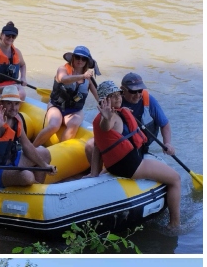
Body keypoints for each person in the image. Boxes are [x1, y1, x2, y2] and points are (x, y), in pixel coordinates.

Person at [88, 80, 181, 228]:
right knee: (175, 179)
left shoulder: (112, 114)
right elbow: (105, 127)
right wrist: (107, 117)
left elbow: (97, 145)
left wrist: (94, 173)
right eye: (113, 96)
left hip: (115, 165)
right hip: (131, 166)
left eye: (118, 94)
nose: (118, 98)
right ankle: (175, 224)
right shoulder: (108, 118)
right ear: (104, 101)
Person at [0, 85, 53, 187]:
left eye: (16, 103)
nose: (14, 108)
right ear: (1, 103)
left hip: (10, 161)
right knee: (27, 176)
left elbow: (27, 145)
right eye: (9, 103)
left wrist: (44, 165)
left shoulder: (16, 118)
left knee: (45, 154)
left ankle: (38, 190)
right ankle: (33, 187)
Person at [34, 46, 99, 148]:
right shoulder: (62, 69)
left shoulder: (88, 79)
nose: (80, 60)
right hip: (57, 106)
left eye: (83, 59)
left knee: (74, 124)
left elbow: (98, 97)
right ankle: (32, 147)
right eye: (77, 57)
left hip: (74, 110)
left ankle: (58, 150)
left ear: (87, 61)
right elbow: (63, 79)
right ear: (73, 58)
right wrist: (82, 76)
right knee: (54, 125)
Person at [119, 72, 174, 155]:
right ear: (123, 89)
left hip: (142, 146)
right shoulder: (116, 101)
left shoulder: (149, 101)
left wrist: (167, 143)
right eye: (133, 91)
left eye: (140, 90)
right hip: (123, 146)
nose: (137, 95)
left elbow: (165, 124)